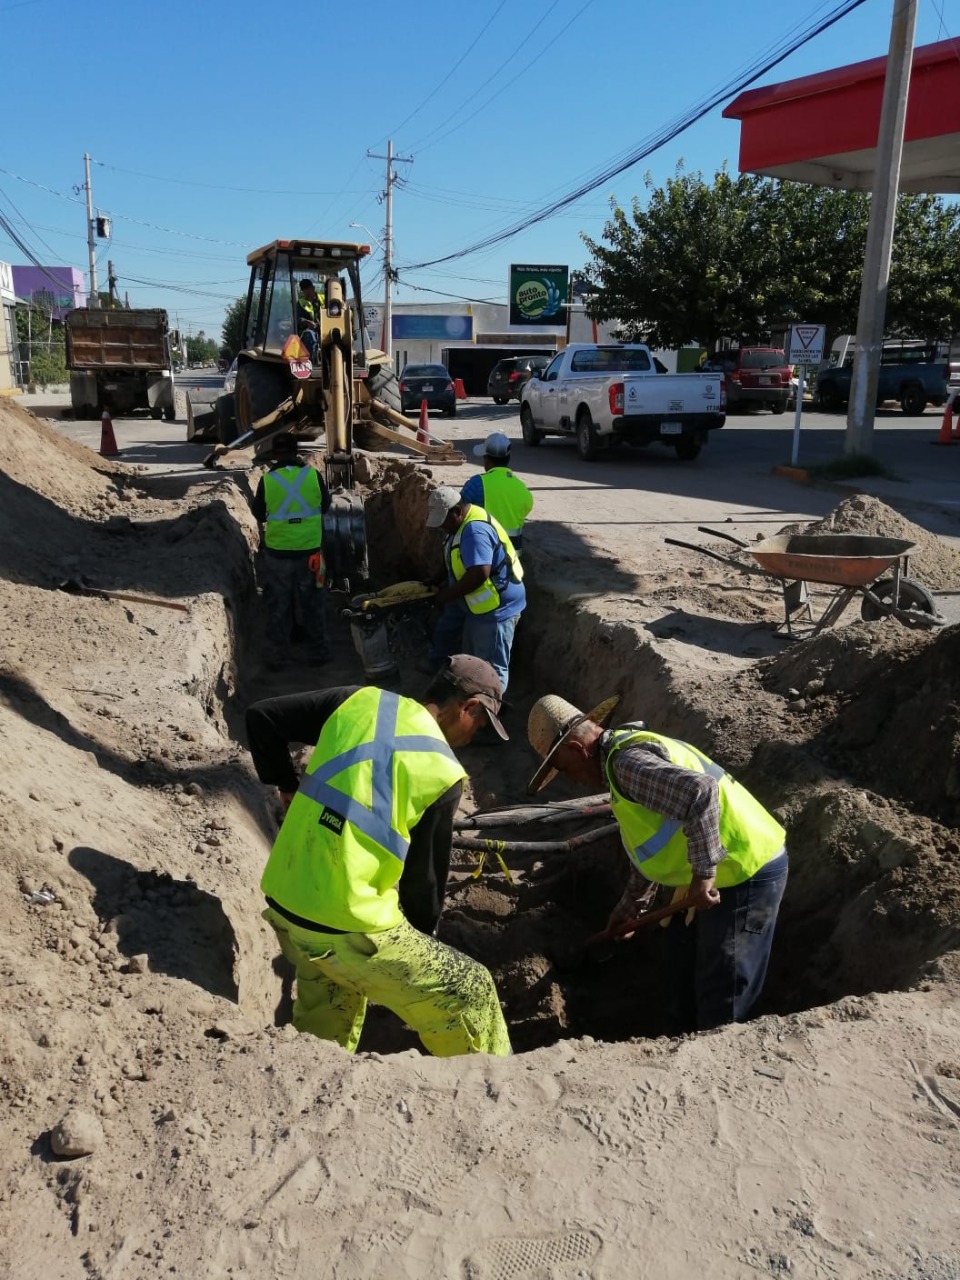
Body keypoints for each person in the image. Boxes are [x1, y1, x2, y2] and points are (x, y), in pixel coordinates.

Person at [245, 655, 513, 1058]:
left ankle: (315, 1073)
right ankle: (490, 1097)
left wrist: (286, 784)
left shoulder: (356, 700)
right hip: (349, 924)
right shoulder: (444, 772)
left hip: (285, 903)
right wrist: (424, 952)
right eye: (479, 724)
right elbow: (423, 887)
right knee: (473, 992)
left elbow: (261, 717)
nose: (474, 735)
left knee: (330, 1001)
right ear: (469, 706)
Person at [526, 694, 789, 1033]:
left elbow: (701, 794)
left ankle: (719, 1068)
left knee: (723, 992)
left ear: (578, 750)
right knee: (680, 969)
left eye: (562, 767)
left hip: (746, 868)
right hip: (718, 871)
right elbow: (654, 843)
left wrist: (703, 877)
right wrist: (632, 904)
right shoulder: (617, 763)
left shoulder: (627, 764)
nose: (570, 779)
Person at [424, 486, 526, 696]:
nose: (442, 527)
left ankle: (489, 714)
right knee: (475, 662)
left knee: (491, 670)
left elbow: (479, 573)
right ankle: (473, 703)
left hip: (498, 608)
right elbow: (454, 556)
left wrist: (446, 596)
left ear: (457, 511)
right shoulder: (460, 525)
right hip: (480, 606)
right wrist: (435, 580)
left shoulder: (474, 530)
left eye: (444, 521)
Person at [250, 432, 331, 671]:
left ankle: (278, 657)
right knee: (314, 604)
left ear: (275, 454)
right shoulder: (313, 475)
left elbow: (259, 514)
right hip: (312, 554)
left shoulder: (268, 480)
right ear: (297, 452)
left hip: (278, 555)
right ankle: (318, 653)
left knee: (278, 605)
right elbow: (325, 506)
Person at [460, 432, 534, 555]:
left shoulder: (477, 483)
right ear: (508, 458)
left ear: (487, 460)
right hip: (513, 560)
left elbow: (458, 511)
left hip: (484, 558)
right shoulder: (523, 490)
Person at [296, 279, 325, 359]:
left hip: (325, 329)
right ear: (302, 291)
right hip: (311, 331)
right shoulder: (301, 303)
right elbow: (297, 319)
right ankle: (310, 363)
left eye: (309, 291)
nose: (307, 294)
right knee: (309, 335)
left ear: (313, 288)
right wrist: (306, 322)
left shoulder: (324, 299)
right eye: (305, 292)